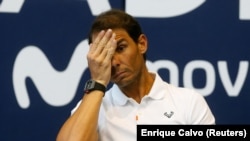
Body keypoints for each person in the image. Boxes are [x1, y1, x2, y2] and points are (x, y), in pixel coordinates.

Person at [56, 9, 215, 141]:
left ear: (141, 44)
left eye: (120, 48)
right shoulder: (93, 107)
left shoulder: (188, 102)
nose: (114, 62)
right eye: (105, 54)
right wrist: (97, 82)